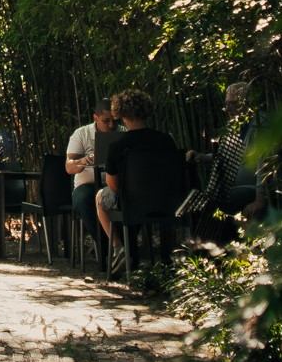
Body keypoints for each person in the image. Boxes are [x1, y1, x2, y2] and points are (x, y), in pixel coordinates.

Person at [95, 88, 179, 259]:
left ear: (121, 114)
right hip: (168, 201)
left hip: (132, 202)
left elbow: (113, 186)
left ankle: (119, 247)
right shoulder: (166, 140)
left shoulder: (118, 146)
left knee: (99, 197)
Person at [181, 81, 268, 225]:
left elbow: (263, 163)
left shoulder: (260, 123)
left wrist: (260, 200)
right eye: (226, 104)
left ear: (247, 102)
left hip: (249, 188)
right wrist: (203, 157)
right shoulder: (235, 125)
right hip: (229, 186)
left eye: (232, 104)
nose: (227, 109)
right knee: (196, 203)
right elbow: (225, 156)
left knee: (216, 203)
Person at [64, 97, 117, 258]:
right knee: (84, 199)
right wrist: (84, 160)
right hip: (86, 185)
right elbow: (69, 167)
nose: (111, 125)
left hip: (114, 184)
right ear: (96, 118)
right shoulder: (81, 134)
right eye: (106, 121)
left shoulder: (122, 131)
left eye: (114, 121)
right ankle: (107, 250)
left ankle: (123, 247)